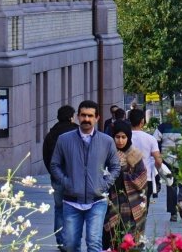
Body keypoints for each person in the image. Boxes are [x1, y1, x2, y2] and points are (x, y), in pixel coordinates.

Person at [50, 101, 120, 252]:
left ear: (97, 118)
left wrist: (104, 184)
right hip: (71, 200)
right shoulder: (64, 139)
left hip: (97, 201)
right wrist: (66, 182)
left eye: (90, 116)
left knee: (94, 243)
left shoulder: (106, 141)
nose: (86, 119)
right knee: (70, 245)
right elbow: (55, 165)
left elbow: (115, 167)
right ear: (77, 116)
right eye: (83, 115)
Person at [103, 120, 148, 250]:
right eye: (117, 137)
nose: (120, 141)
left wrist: (123, 177)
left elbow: (142, 178)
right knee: (111, 236)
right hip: (111, 201)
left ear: (128, 137)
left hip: (132, 203)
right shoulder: (107, 154)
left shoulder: (135, 154)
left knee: (130, 237)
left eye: (124, 137)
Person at [43, 105, 78, 250]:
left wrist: (53, 172)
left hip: (57, 177)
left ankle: (61, 240)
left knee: (59, 208)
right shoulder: (77, 131)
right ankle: (70, 239)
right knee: (74, 208)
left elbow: (46, 156)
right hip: (74, 176)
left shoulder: (51, 134)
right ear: (71, 117)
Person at [155, 112, 182, 222]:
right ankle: (181, 201)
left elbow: (155, 141)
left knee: (171, 185)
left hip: (167, 160)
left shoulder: (162, 127)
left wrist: (159, 156)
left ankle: (173, 214)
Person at [127, 109, 162, 204]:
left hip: (127, 178)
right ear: (142, 121)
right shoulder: (150, 139)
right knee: (144, 207)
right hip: (146, 178)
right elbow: (158, 160)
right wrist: (157, 171)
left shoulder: (124, 138)